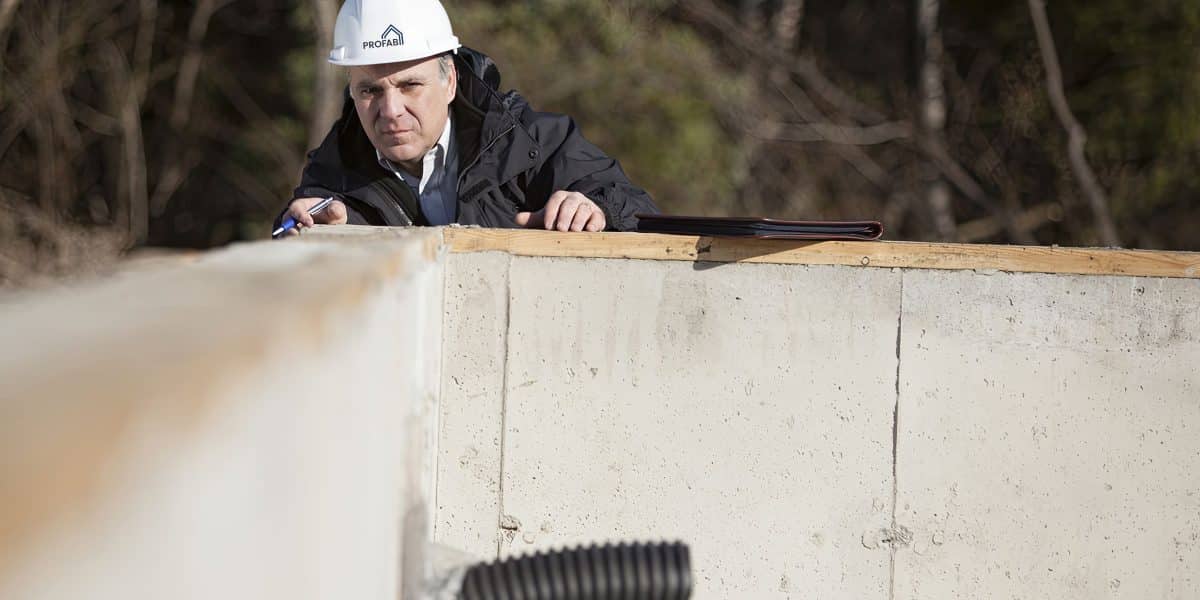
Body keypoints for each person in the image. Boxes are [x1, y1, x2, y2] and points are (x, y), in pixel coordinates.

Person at [275, 0, 657, 236]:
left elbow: (640, 212)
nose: (390, 111)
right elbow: (290, 267)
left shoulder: (531, 143)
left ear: (450, 81)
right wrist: (324, 232)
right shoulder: (332, 174)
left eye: (410, 85)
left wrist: (597, 209)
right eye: (370, 91)